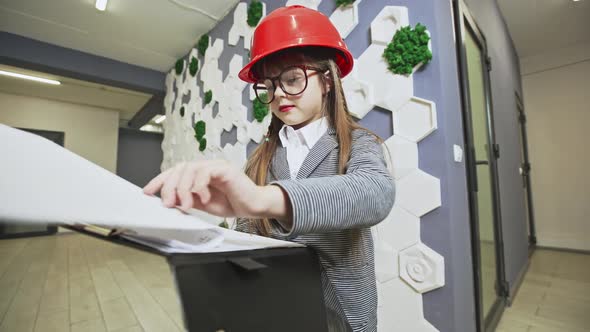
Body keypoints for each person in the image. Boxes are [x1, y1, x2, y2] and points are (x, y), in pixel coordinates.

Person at [143, 5, 395, 332]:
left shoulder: (358, 144)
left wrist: (264, 199)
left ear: (328, 80)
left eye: (293, 79)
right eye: (268, 85)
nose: (278, 94)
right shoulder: (260, 158)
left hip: (340, 316)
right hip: (275, 309)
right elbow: (245, 236)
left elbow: (376, 193)